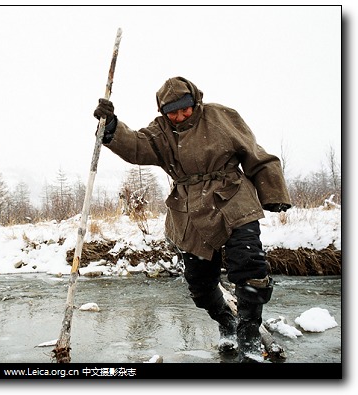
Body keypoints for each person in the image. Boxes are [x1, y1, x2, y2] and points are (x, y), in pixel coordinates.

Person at [93, 76, 291, 363]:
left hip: (233, 198)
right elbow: (136, 146)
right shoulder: (161, 131)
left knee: (250, 267)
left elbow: (255, 154)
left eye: (185, 109)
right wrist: (111, 126)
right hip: (189, 210)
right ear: (163, 111)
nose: (180, 115)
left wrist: (273, 192)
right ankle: (226, 321)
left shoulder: (221, 116)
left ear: (195, 101)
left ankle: (248, 336)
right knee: (200, 283)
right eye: (172, 111)